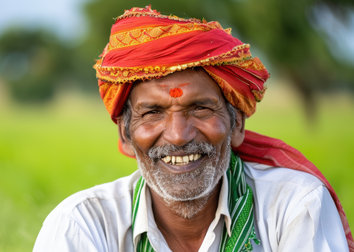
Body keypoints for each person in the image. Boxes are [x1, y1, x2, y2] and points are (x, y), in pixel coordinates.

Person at [34, 6, 353, 251]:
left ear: (236, 124)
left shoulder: (295, 206)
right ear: (125, 135)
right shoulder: (81, 225)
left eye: (200, 108)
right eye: (153, 112)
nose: (178, 135)